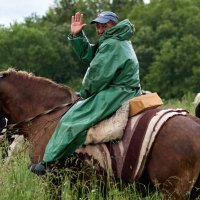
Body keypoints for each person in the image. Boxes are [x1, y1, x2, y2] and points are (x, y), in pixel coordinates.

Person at [29, 11, 142, 175]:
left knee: (71, 119)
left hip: (117, 93)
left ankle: (49, 162)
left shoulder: (113, 44)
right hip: (123, 89)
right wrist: (77, 36)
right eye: (98, 26)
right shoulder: (117, 40)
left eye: (104, 25)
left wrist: (83, 95)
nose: (100, 29)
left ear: (114, 25)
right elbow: (93, 56)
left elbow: (97, 76)